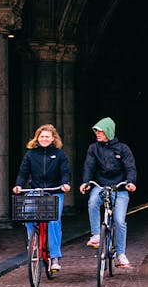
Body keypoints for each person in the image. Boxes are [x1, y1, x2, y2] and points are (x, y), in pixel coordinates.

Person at [13, 123, 71, 273]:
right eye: (42, 136)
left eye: (47, 136)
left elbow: (65, 172)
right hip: (36, 190)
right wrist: (18, 185)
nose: (44, 139)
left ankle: (55, 257)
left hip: (54, 191)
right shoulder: (30, 154)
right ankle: (33, 243)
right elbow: (23, 173)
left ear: (53, 139)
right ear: (37, 138)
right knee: (28, 215)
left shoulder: (59, 154)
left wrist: (65, 184)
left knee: (54, 221)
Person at [80, 117, 137, 268]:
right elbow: (89, 167)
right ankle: (96, 235)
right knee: (92, 202)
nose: (97, 133)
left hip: (120, 188)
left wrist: (130, 182)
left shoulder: (123, 149)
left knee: (119, 221)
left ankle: (121, 254)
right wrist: (86, 182)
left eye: (100, 131)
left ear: (109, 132)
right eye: (96, 131)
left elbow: (130, 167)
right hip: (100, 185)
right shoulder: (93, 148)